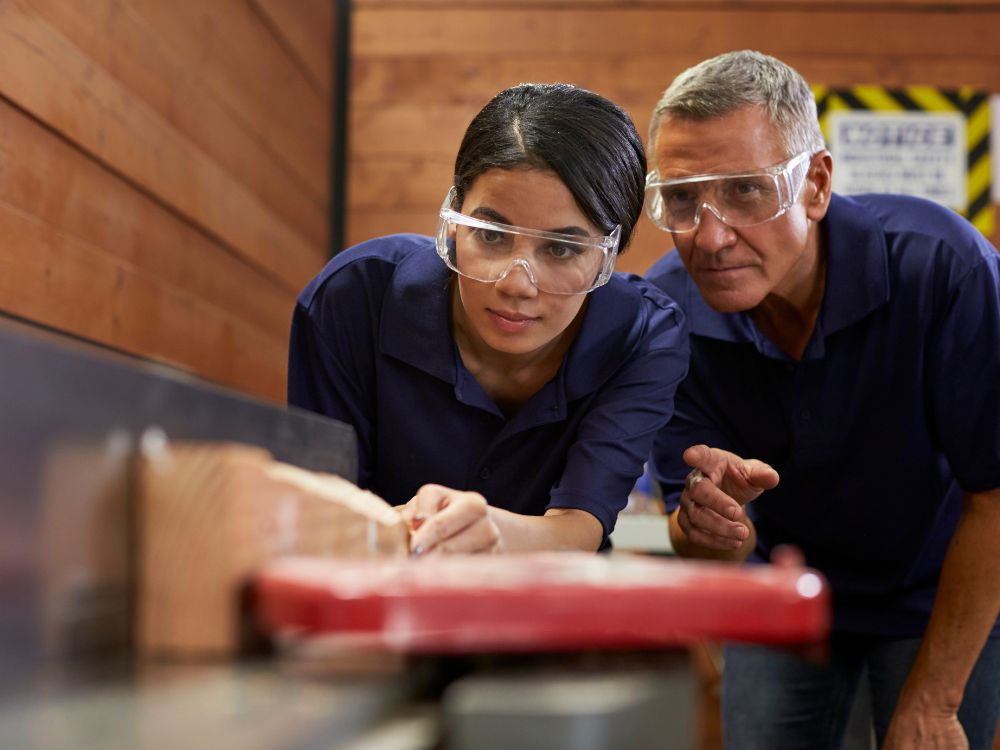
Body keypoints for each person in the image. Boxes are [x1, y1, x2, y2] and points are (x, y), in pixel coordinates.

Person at [644, 50, 1000, 749]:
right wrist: (713, 528)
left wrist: (933, 702)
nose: (709, 237)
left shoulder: (943, 268)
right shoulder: (667, 314)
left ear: (815, 184)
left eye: (746, 190)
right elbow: (700, 548)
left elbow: (996, 496)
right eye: (682, 199)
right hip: (783, 599)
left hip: (942, 591)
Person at [289, 83, 688, 557]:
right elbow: (316, 513)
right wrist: (402, 528)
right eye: (493, 237)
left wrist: (490, 534)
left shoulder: (644, 335)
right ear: (454, 218)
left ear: (610, 256)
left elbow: (581, 526)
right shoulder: (353, 298)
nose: (517, 284)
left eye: (561, 249)